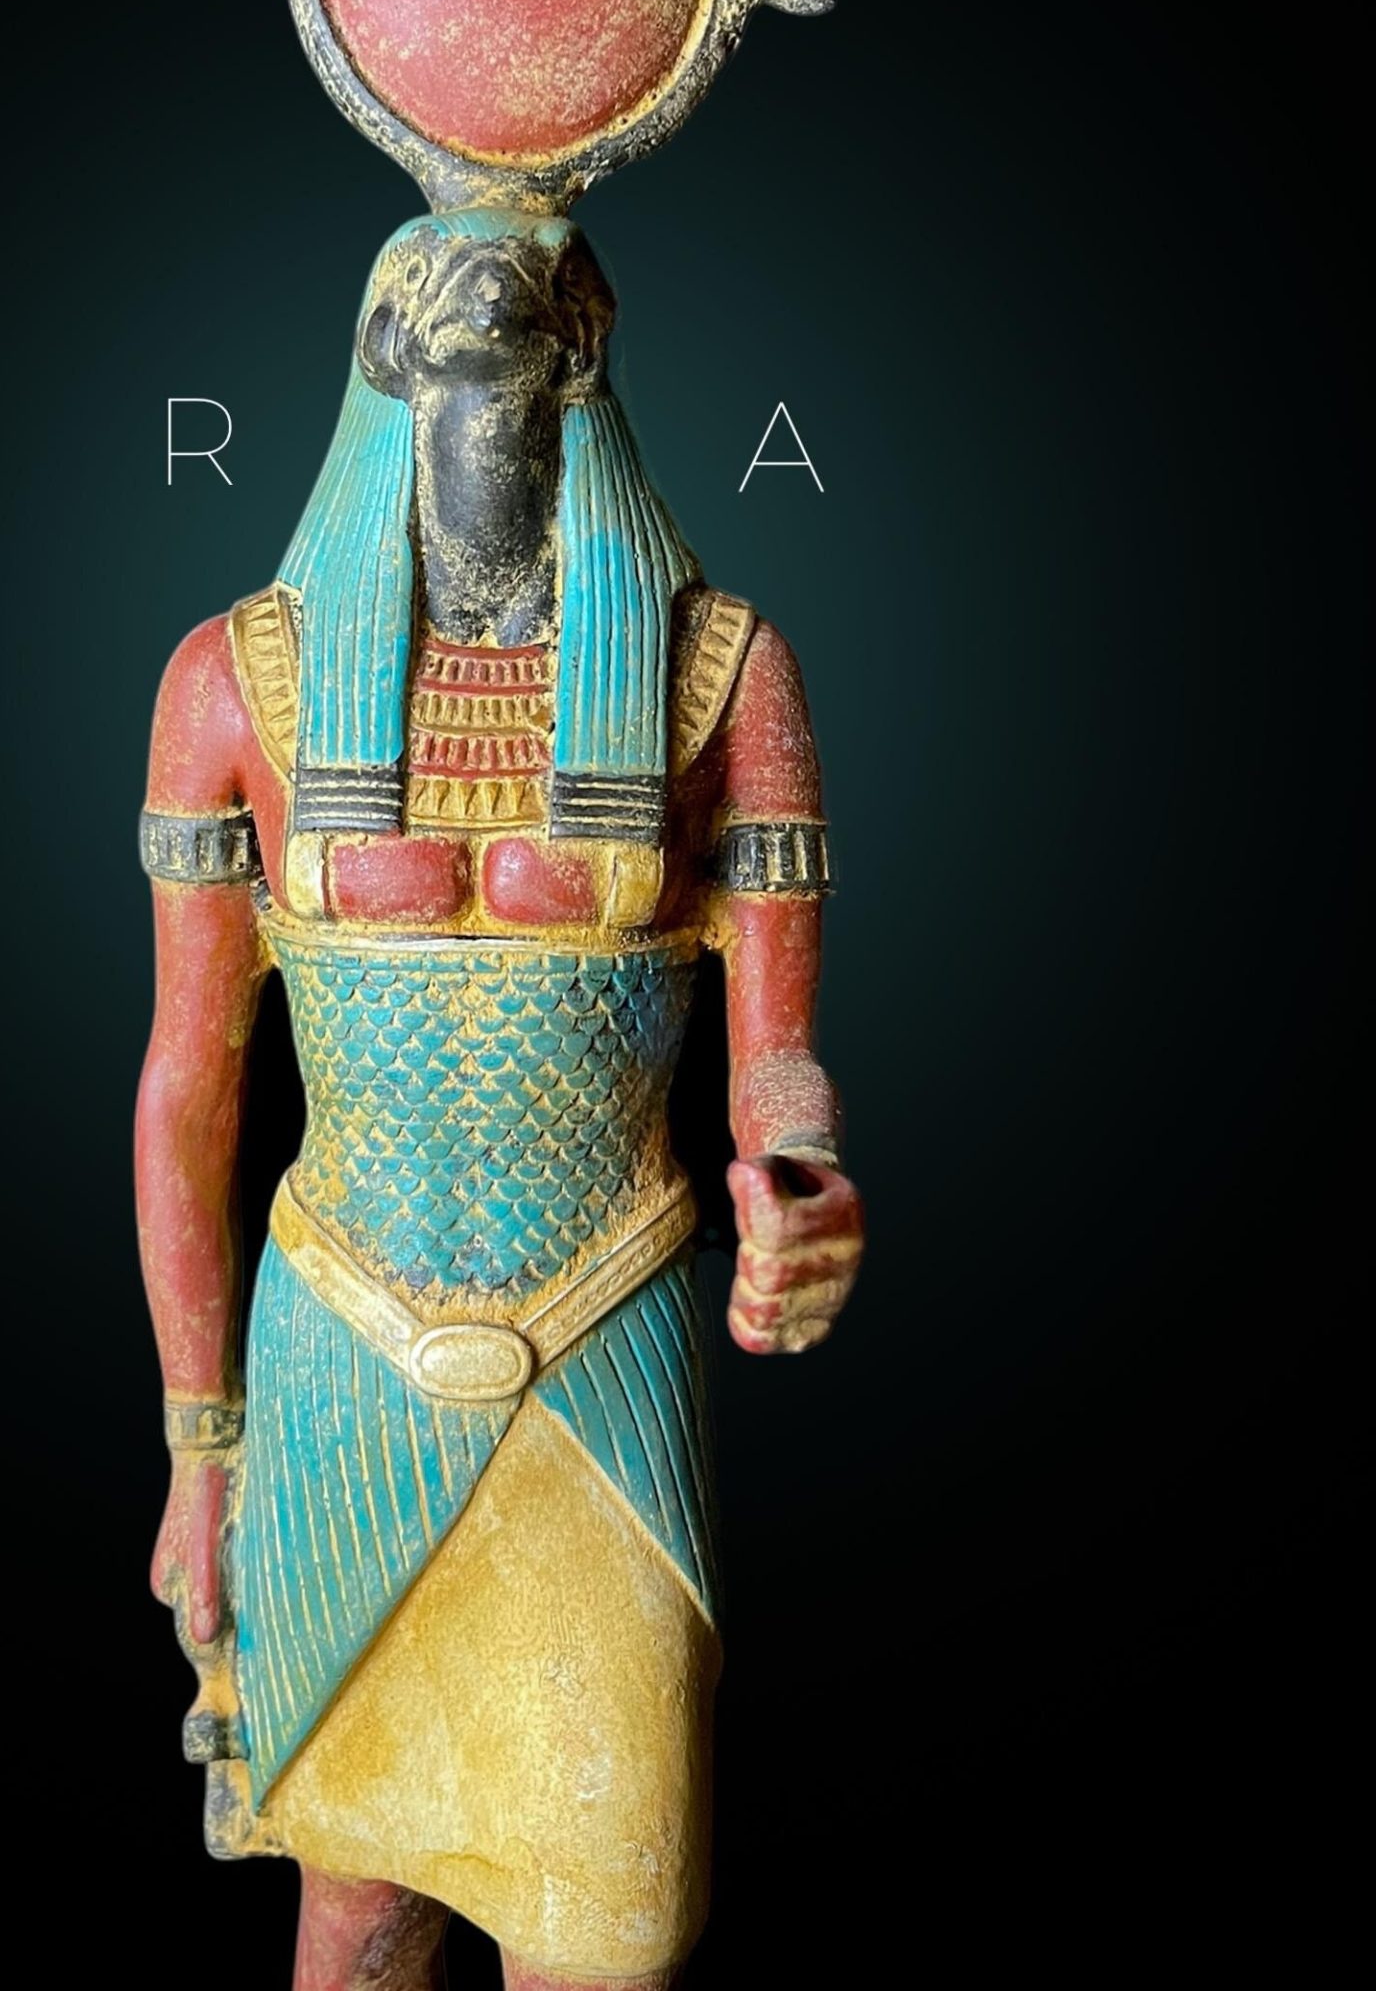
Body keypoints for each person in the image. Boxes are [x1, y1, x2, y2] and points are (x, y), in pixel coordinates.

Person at [135, 210, 865, 1990]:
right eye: (429, 269)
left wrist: (800, 1169)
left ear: (584, 346)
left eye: (524, 280)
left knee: (607, 1926)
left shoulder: (720, 672)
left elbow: (775, 1052)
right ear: (377, 346)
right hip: (341, 1339)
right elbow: (185, 1092)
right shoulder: (238, 677)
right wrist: (200, 1449)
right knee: (357, 1904)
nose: (478, 281)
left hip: (601, 1330)